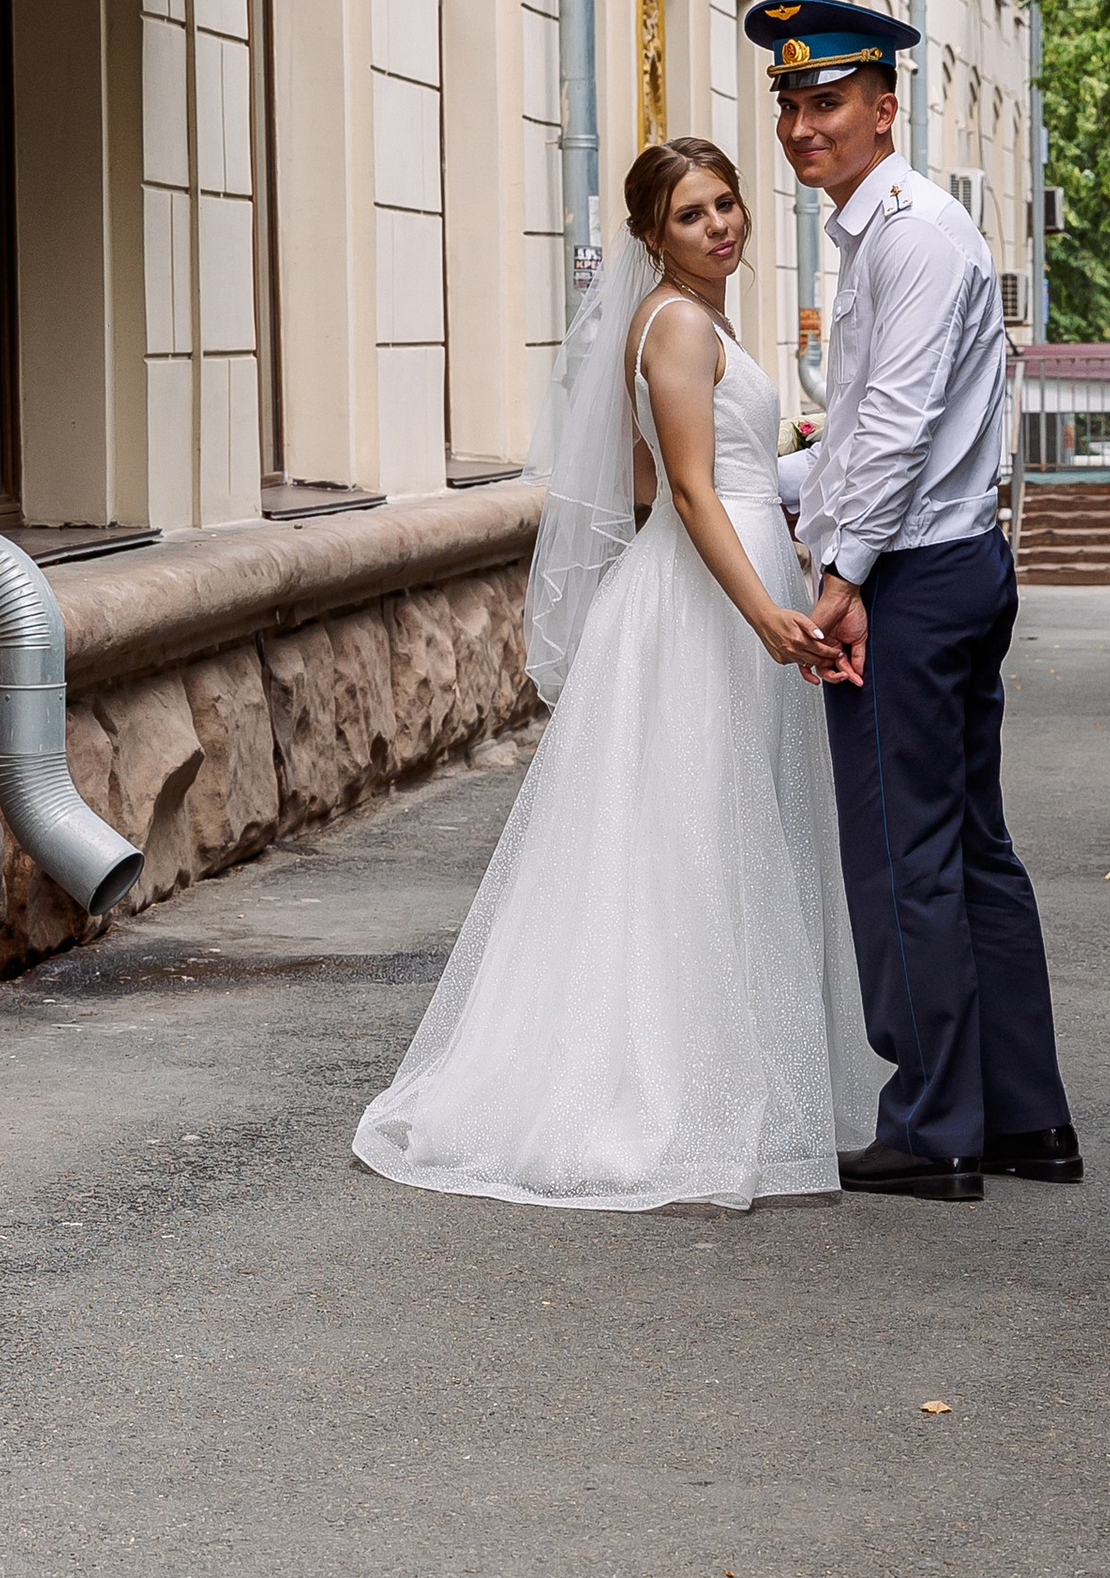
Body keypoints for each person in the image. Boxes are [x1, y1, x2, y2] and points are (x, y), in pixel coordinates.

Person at [354, 137, 885, 1211]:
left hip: (718, 586)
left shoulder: (694, 316)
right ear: (651, 236)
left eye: (727, 204)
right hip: (705, 602)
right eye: (691, 215)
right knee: (692, 832)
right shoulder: (680, 323)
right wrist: (765, 616)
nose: (719, 226)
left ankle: (714, 1075)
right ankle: (652, 1096)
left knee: (702, 830)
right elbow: (685, 493)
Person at [750, 0, 1080, 1205]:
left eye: (825, 100)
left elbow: (890, 432)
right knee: (968, 851)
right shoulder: (891, 231)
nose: (799, 124)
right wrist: (773, 480)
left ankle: (935, 1126)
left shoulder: (910, 235)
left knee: (904, 855)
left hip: (910, 580)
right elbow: (872, 434)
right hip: (946, 563)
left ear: (885, 109)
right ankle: (1021, 1119)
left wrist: (841, 580)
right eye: (788, 101)